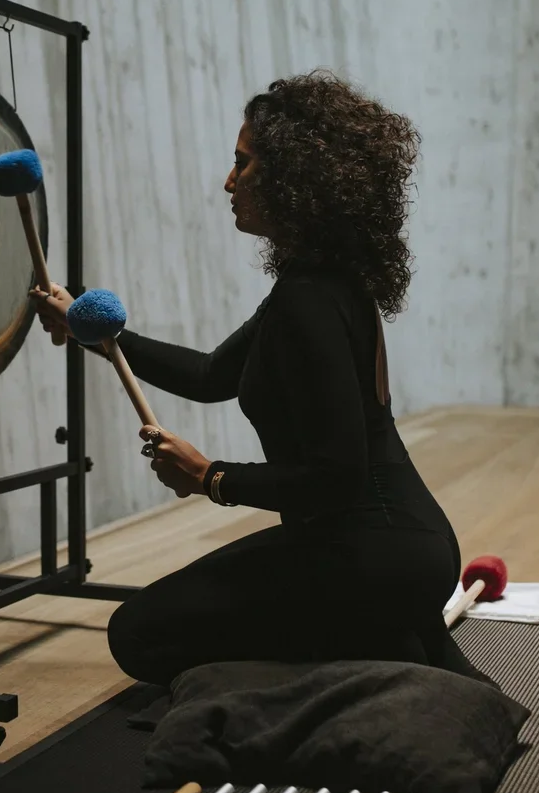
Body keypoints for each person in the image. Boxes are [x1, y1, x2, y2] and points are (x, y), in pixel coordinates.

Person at [30, 70, 486, 688]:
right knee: (163, 623)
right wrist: (91, 330)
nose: (228, 182)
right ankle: (384, 638)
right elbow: (211, 374)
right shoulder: (320, 283)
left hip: (372, 557)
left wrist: (210, 478)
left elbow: (337, 474)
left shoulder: (309, 300)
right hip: (399, 549)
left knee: (139, 634)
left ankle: (369, 647)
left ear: (296, 180)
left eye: (243, 165)